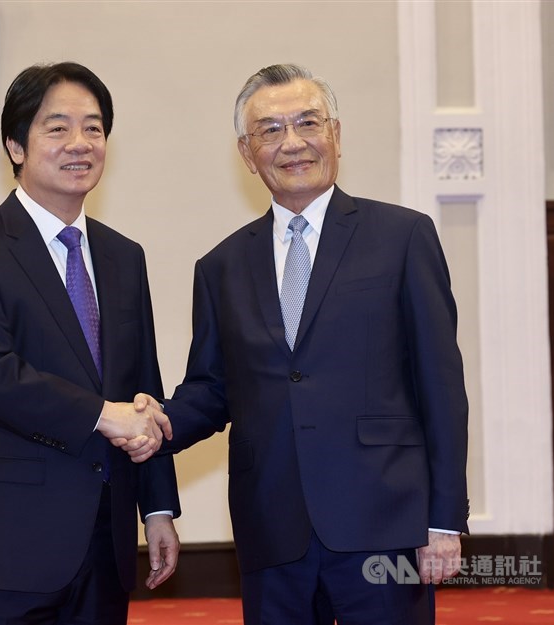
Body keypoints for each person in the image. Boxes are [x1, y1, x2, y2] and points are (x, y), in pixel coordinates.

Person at [129, 63, 469, 624]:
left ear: (335, 134)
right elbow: (213, 389)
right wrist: (157, 421)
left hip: (385, 523)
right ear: (246, 150)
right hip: (272, 526)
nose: (292, 143)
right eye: (270, 130)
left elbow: (441, 384)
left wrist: (443, 520)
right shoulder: (221, 266)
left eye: (307, 122)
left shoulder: (403, 237)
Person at [0, 62, 179, 625]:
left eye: (94, 128)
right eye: (57, 127)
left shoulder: (123, 256)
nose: (80, 144)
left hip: (105, 545)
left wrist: (158, 508)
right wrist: (102, 416)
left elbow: (145, 386)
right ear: (16, 146)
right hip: (7, 546)